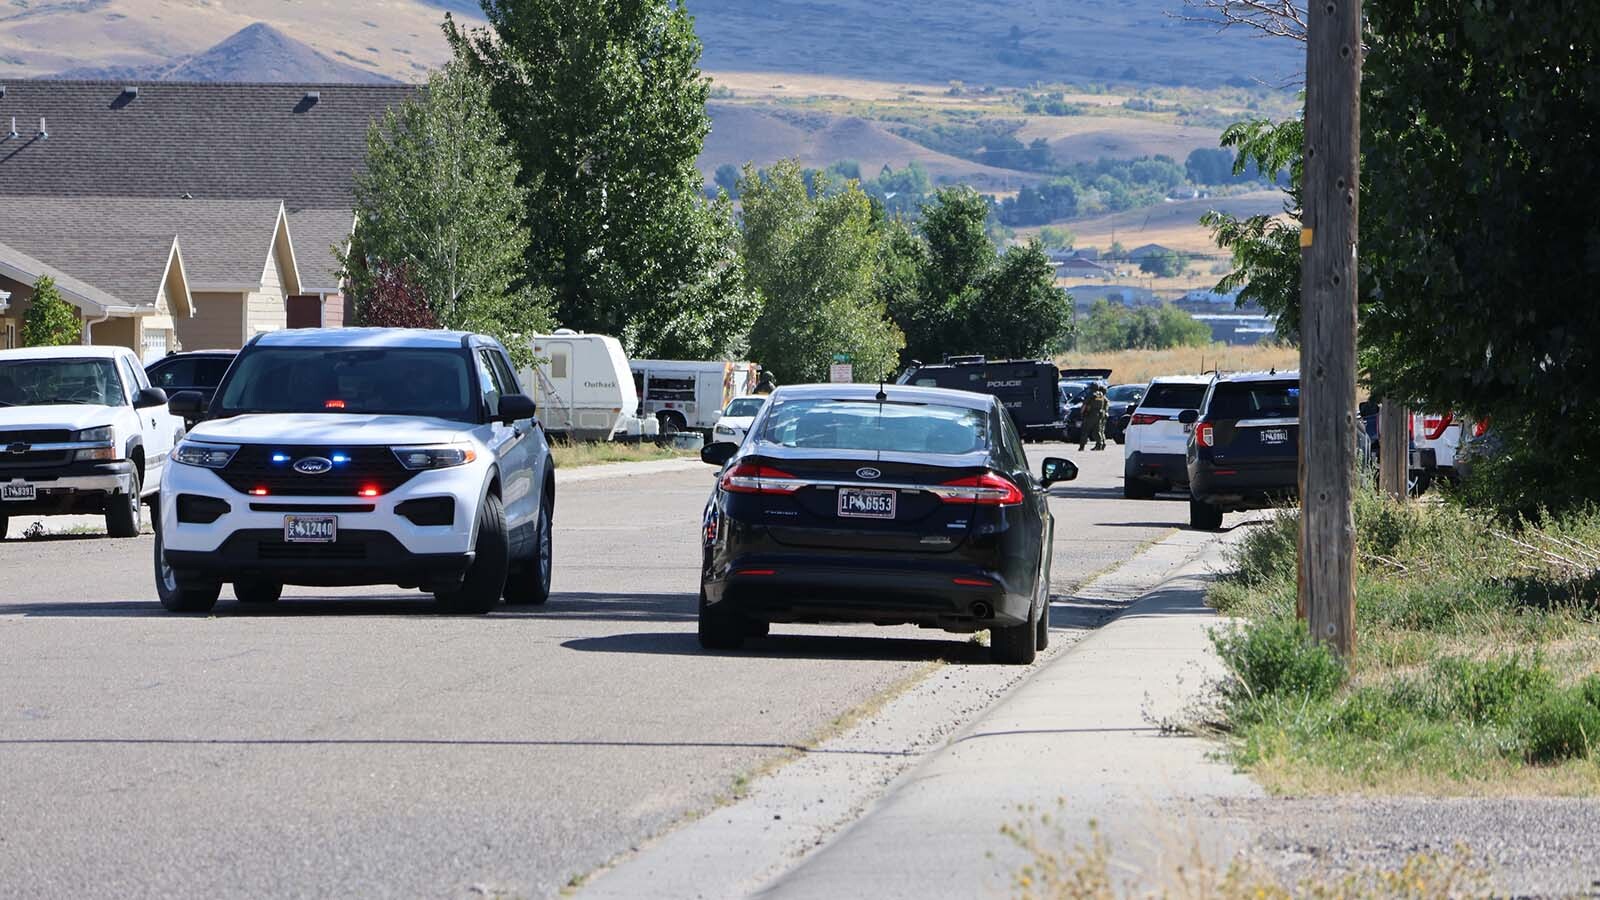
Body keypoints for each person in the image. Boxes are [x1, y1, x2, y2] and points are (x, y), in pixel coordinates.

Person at [1080, 383, 1110, 451]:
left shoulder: (1091, 394)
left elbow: (1085, 404)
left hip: (1090, 414)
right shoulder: (1101, 395)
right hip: (1099, 415)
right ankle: (1100, 444)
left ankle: (1082, 446)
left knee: (1085, 430)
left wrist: (1081, 412)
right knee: (1097, 430)